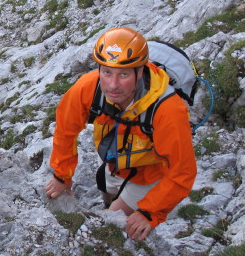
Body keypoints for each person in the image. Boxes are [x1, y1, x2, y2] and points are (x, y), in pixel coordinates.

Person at [45, 27, 197, 240]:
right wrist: (62, 174)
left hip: (152, 173)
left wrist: (149, 212)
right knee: (104, 185)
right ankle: (111, 202)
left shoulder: (167, 110)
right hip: (118, 161)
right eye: (107, 72)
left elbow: (182, 171)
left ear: (140, 71)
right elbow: (65, 129)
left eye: (123, 74)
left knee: (111, 223)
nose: (113, 85)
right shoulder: (88, 87)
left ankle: (122, 209)